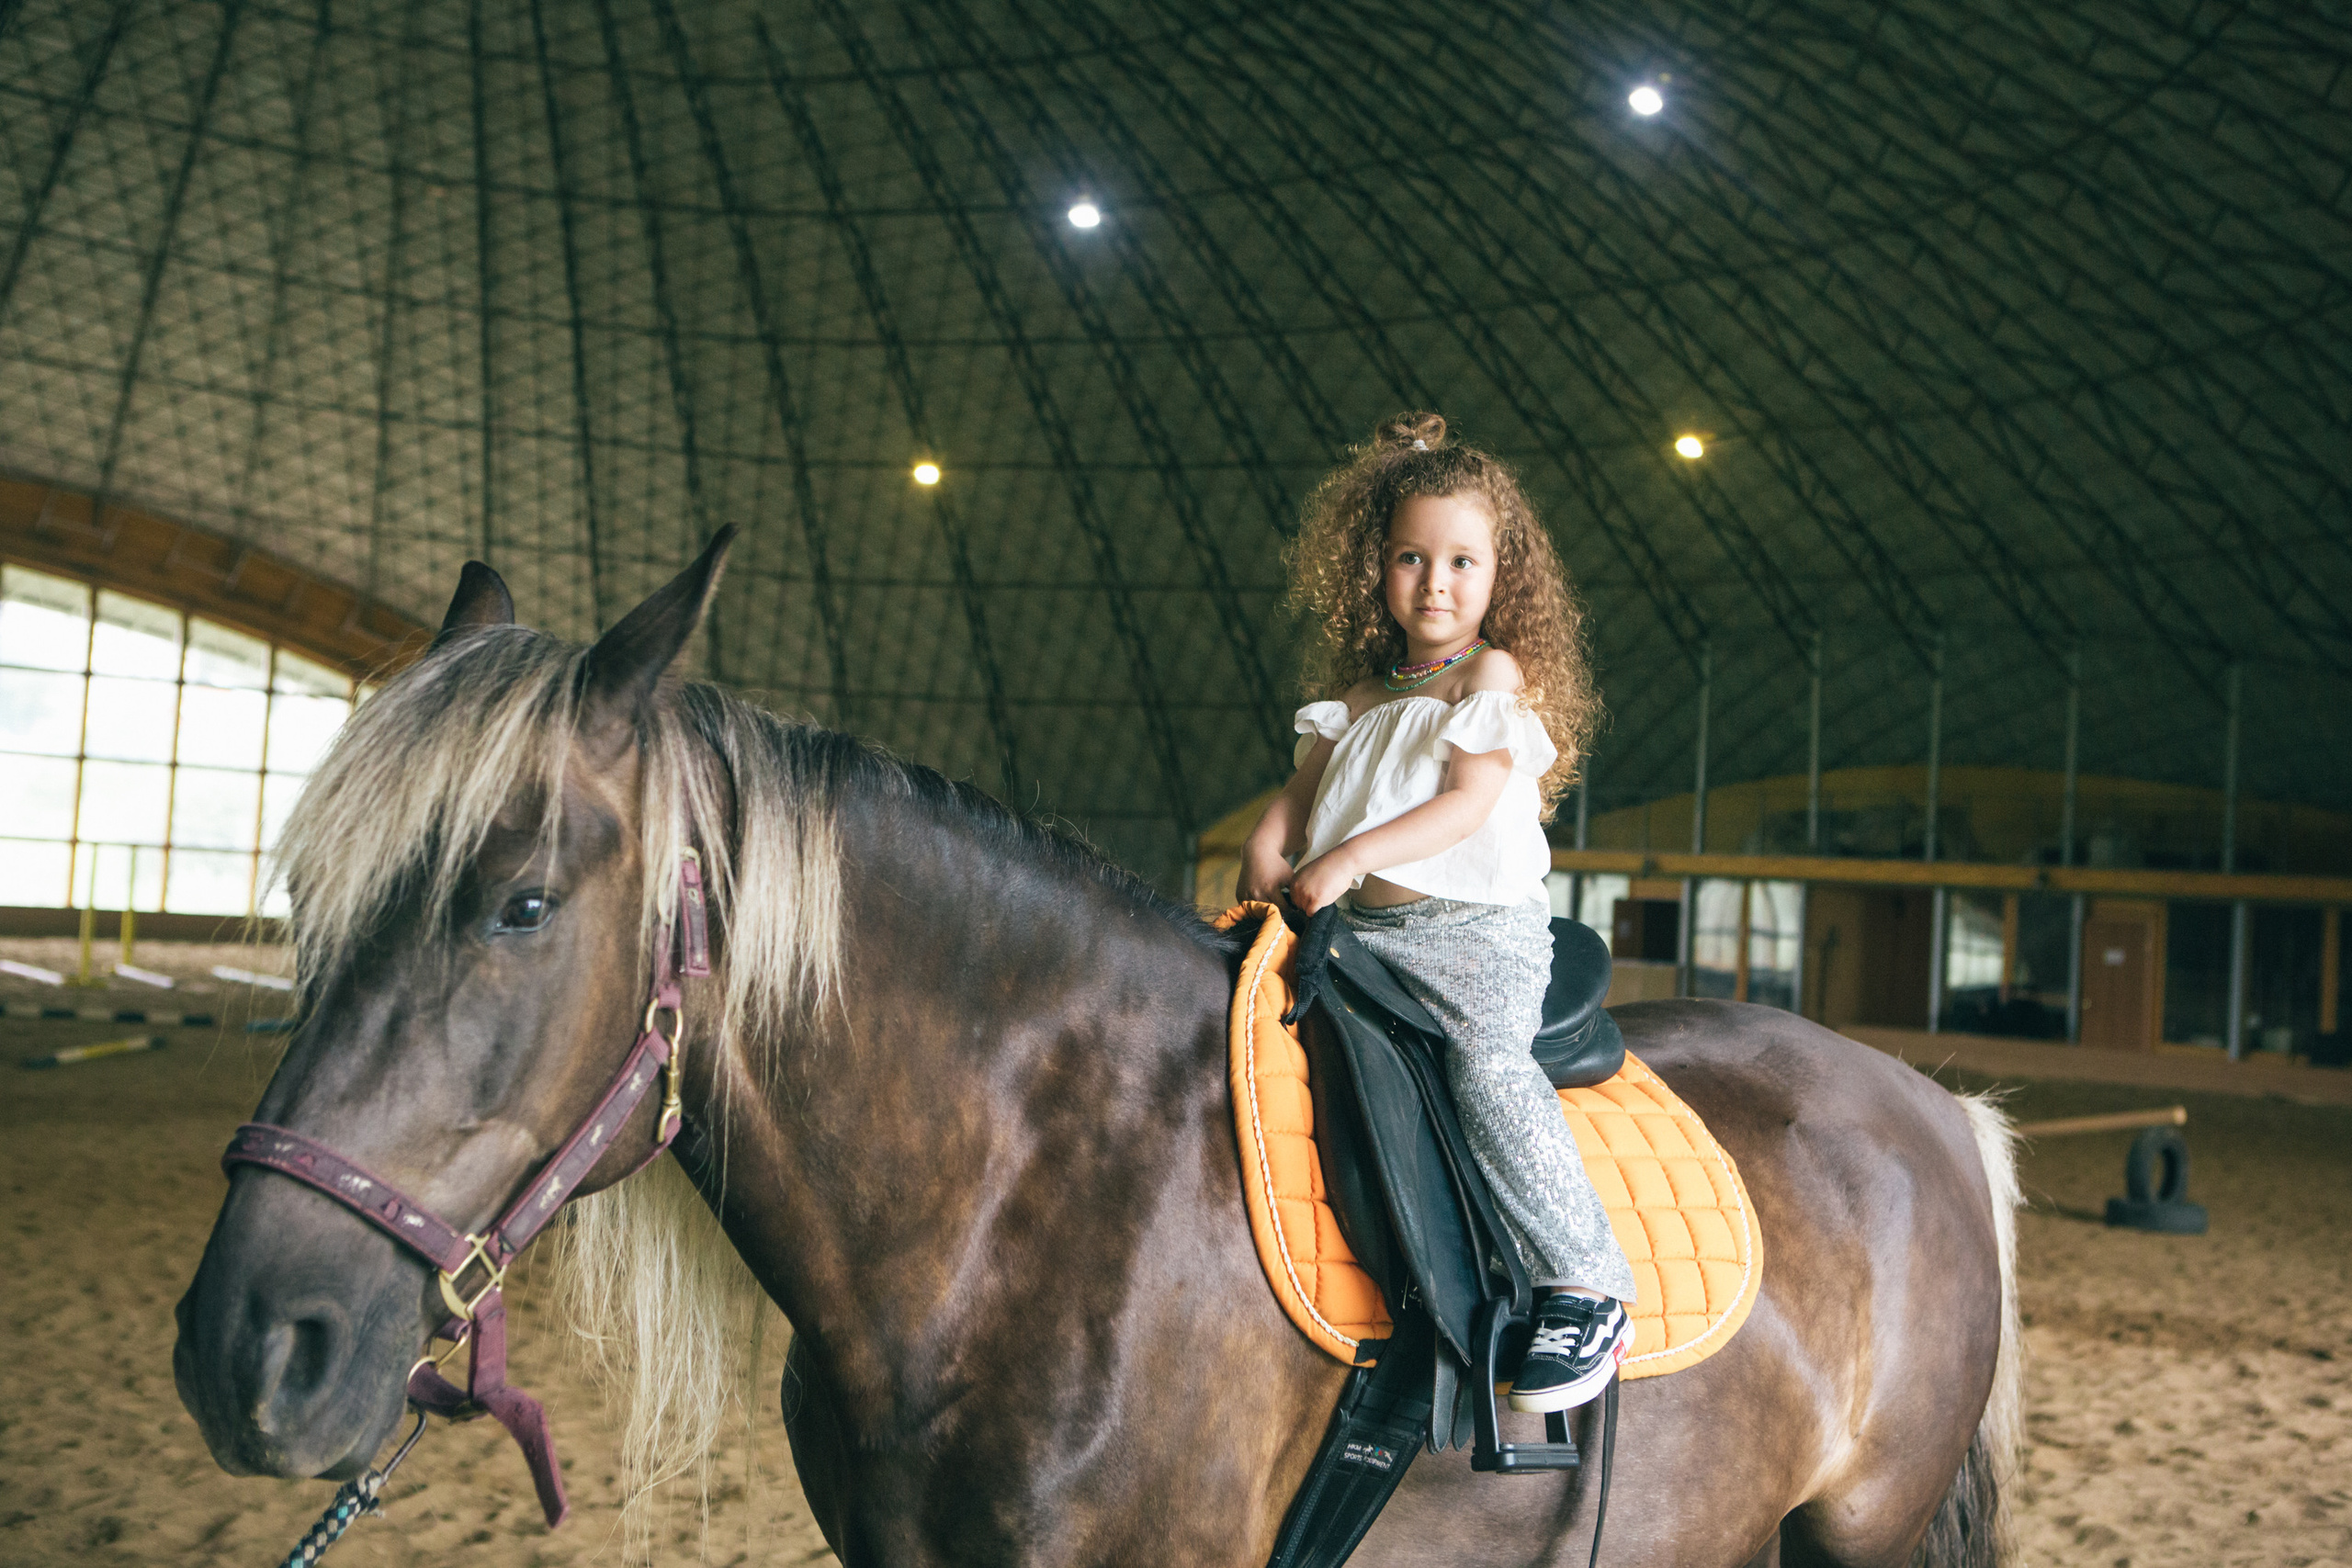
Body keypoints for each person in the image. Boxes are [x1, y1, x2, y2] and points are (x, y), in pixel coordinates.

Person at [1238, 412, 1636, 1413]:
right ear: (1377, 568)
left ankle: (1586, 1282)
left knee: (1487, 1069)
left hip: (1472, 940)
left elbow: (1462, 803)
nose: (1435, 583)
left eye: (1462, 561)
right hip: (1359, 937)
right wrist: (1267, 845)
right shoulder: (1359, 696)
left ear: (1501, 575)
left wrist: (1343, 858)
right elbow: (1297, 794)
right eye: (1411, 558)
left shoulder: (1487, 678)